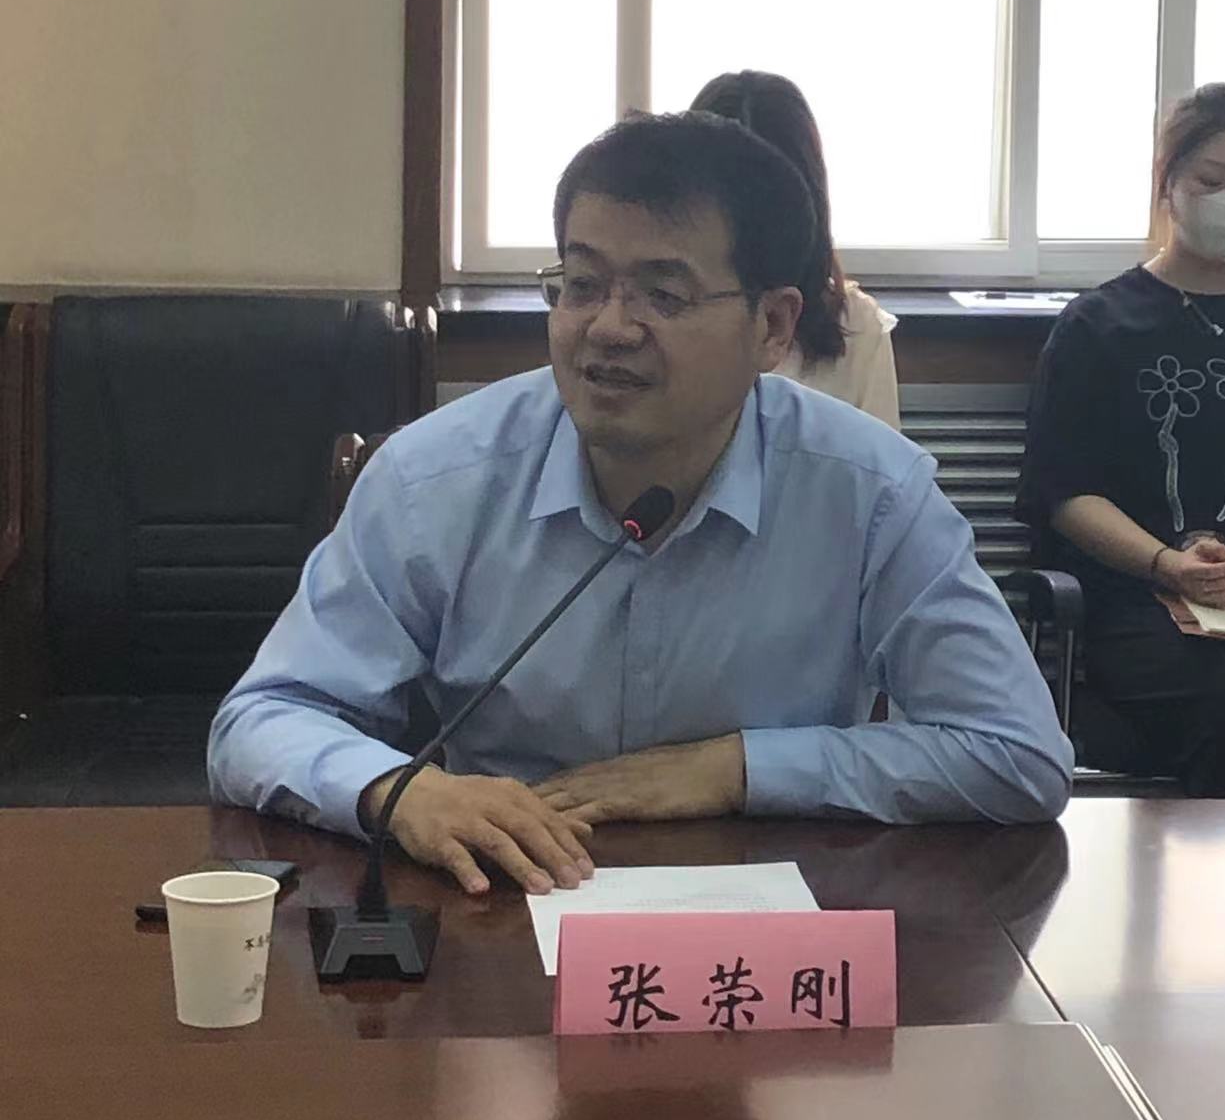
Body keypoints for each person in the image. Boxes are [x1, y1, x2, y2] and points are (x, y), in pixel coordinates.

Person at [209, 112, 1071, 894]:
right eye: (582, 284)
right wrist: (401, 792)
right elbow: (262, 719)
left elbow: (1019, 754)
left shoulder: (869, 492)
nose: (610, 328)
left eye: (664, 294)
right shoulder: (433, 480)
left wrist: (735, 770)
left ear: (773, 327)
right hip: (506, 896)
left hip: (767, 916)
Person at [1018, 82, 1225, 792]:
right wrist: (1168, 564)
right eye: (1211, 181)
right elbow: (1065, 493)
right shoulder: (1099, 326)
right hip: (1145, 607)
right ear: (1168, 184)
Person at [690, 70, 900, 427]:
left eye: (767, 199)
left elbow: (883, 461)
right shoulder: (656, 317)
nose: (749, 222)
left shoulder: (856, 326)